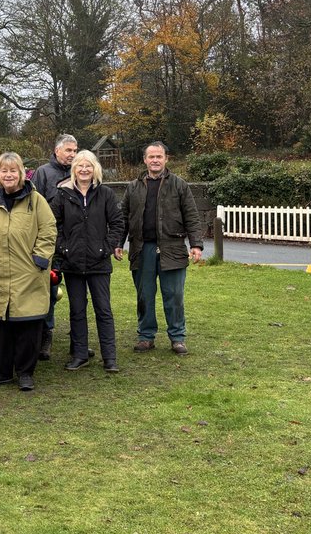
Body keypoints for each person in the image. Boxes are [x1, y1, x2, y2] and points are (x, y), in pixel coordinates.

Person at [0, 152, 57, 392]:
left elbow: (49, 230)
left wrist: (39, 259)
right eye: (3, 171)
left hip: (28, 274)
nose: (8, 175)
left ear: (21, 173)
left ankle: (25, 373)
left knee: (27, 327)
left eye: (12, 171)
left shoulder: (36, 201)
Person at [115, 140, 204, 355]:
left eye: (159, 157)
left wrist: (196, 244)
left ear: (166, 159)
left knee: (173, 295)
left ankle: (177, 337)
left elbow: (192, 215)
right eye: (151, 157)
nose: (155, 160)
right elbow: (123, 218)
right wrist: (118, 243)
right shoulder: (133, 187)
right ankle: (146, 336)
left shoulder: (179, 185)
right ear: (145, 160)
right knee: (144, 294)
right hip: (141, 249)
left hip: (172, 248)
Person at [51, 149, 124, 373]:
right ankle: (80, 354)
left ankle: (109, 357)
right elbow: (53, 225)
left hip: (99, 263)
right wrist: (63, 248)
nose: (84, 169)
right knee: (77, 311)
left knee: (103, 310)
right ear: (74, 169)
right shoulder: (62, 196)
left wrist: (106, 247)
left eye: (88, 166)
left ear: (95, 170)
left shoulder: (106, 195)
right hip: (72, 263)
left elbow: (117, 223)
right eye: (80, 166)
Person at [30, 133, 78, 359]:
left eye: (75, 151)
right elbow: (33, 205)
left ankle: (79, 338)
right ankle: (45, 334)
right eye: (68, 150)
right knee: (49, 288)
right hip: (52, 242)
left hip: (77, 241)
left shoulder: (81, 170)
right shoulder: (43, 173)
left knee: (79, 290)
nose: (72, 155)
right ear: (57, 150)